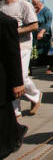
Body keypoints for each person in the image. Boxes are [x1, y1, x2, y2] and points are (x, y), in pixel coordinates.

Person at [0, 0, 42, 117]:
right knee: (10, 78)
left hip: (23, 46)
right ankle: (15, 110)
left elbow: (35, 25)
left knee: (21, 77)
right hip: (6, 48)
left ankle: (36, 95)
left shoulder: (23, 5)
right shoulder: (1, 6)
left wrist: (14, 31)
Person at [0, 11, 28, 158]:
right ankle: (17, 132)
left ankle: (8, 145)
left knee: (3, 113)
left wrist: (18, 83)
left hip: (2, 77)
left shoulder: (5, 22)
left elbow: (12, 54)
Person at [31, 0, 53, 74]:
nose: (34, 5)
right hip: (34, 33)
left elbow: (48, 23)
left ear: (40, 2)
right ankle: (38, 66)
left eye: (35, 3)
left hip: (44, 34)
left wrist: (41, 32)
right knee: (36, 50)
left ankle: (49, 66)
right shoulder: (34, 10)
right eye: (33, 3)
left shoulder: (46, 11)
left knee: (46, 50)